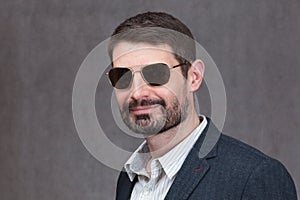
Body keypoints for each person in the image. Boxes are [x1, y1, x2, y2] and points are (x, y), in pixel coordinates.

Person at [106, 11, 297, 200]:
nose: (138, 92)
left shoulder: (253, 177)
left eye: (156, 74)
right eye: (122, 76)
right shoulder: (129, 178)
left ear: (194, 77)